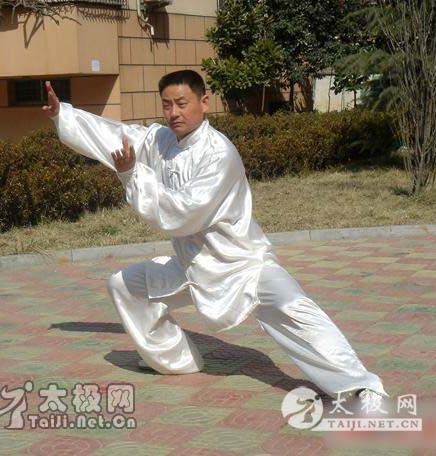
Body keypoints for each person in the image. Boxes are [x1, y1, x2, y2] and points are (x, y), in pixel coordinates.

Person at [42, 70, 388, 401]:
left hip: (242, 266)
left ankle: (360, 388)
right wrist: (64, 116)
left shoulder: (218, 154)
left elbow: (180, 215)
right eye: (167, 104)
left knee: (295, 310)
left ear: (204, 102)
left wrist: (132, 176)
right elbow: (117, 136)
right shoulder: (161, 141)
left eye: (182, 103)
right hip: (193, 268)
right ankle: (176, 359)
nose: (174, 113)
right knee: (125, 285)